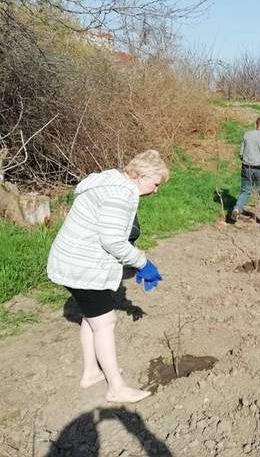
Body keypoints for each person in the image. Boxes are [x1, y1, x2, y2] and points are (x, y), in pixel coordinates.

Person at [47, 150, 168, 403]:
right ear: (140, 175)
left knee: (91, 318)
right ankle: (116, 388)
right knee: (105, 322)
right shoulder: (121, 194)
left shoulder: (109, 179)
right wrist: (143, 263)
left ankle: (91, 372)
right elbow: (112, 241)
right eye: (155, 184)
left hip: (73, 260)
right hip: (81, 266)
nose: (156, 191)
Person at [230, 116, 260, 226]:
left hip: (246, 167)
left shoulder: (247, 134)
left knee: (245, 191)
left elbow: (241, 154)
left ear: (255, 124)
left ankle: (237, 209)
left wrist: (246, 161)